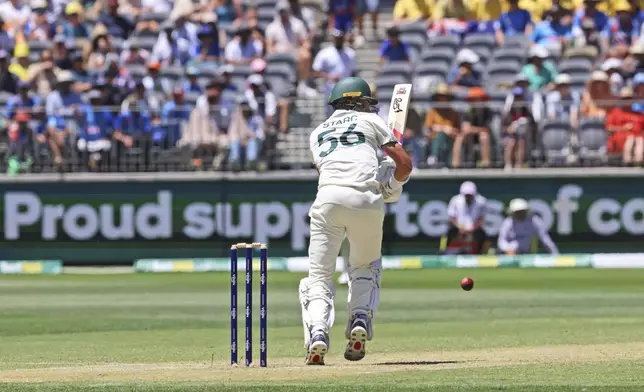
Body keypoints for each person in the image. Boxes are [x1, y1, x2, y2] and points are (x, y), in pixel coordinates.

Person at [300, 76, 412, 365]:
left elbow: (329, 172)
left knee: (319, 277)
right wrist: (391, 184)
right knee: (364, 267)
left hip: (327, 200)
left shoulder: (317, 132)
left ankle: (318, 334)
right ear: (360, 101)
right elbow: (405, 163)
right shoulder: (372, 120)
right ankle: (359, 318)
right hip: (365, 201)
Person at [442, 181, 488, 255]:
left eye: (470, 195)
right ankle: (444, 252)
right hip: (459, 227)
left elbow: (481, 218)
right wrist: (460, 227)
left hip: (474, 227)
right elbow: (452, 217)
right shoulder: (455, 200)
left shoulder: (482, 202)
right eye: (466, 195)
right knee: (448, 232)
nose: (468, 197)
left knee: (482, 234)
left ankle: (482, 253)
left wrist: (473, 228)